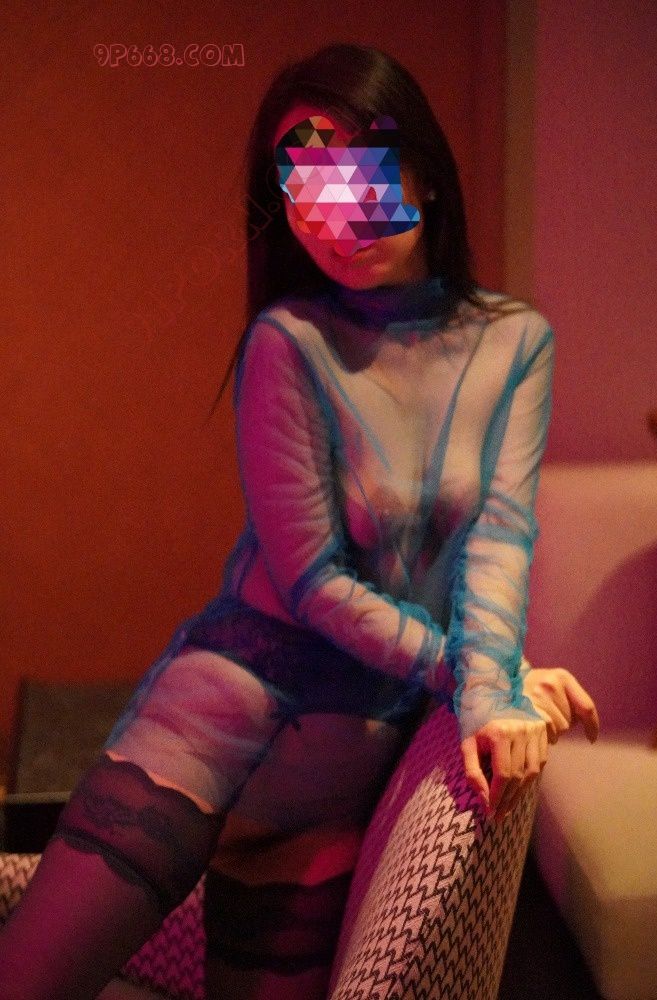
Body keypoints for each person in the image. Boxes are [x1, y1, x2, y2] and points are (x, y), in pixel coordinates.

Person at [0, 42, 599, 1000]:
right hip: (216, 714)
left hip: (338, 760)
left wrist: (492, 686)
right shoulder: (289, 342)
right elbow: (313, 583)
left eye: (361, 173)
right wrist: (482, 675)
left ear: (424, 175)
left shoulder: (513, 342)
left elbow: (497, 538)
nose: (335, 217)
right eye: (304, 188)